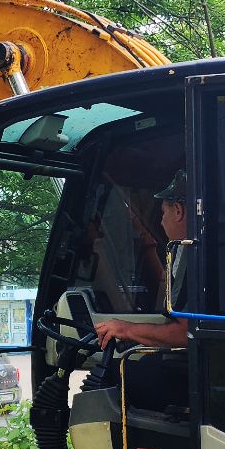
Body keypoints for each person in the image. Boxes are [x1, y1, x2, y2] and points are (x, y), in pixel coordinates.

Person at [92, 171, 191, 412]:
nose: (160, 221)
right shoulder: (186, 252)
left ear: (178, 210)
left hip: (198, 372)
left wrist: (125, 329)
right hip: (199, 365)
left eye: (163, 212)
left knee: (110, 381)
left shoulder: (196, 257)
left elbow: (185, 334)